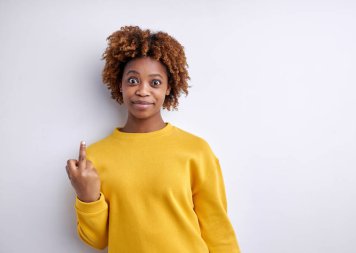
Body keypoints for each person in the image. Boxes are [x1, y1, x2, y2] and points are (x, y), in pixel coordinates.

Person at [66, 25, 241, 253]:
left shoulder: (196, 151)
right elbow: (98, 240)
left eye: (155, 82)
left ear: (169, 87)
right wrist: (87, 197)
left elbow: (217, 230)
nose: (142, 91)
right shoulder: (96, 158)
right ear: (120, 84)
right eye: (132, 81)